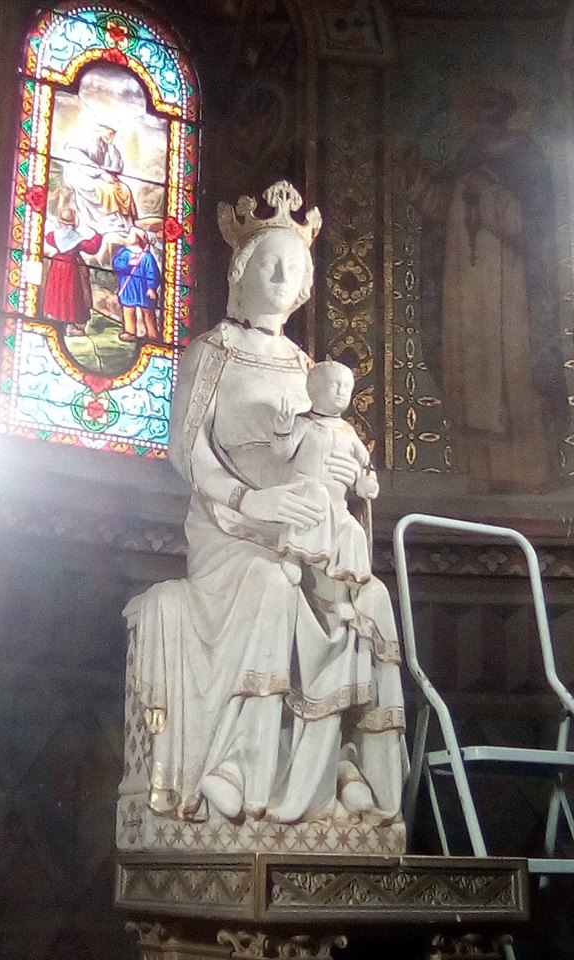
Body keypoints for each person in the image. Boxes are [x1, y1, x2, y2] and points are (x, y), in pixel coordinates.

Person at [123, 181, 407, 831]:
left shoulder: (310, 367)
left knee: (368, 599)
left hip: (305, 526)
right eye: (269, 262)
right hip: (232, 529)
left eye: (295, 265)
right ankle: (237, 769)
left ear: (306, 282)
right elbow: (187, 453)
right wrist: (258, 498)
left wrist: (347, 478)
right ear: (242, 272)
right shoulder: (210, 352)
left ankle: (340, 768)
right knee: (269, 581)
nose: (282, 274)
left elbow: (333, 445)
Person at [405, 82, 567, 494]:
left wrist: (491, 197)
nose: (484, 115)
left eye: (492, 106)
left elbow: (534, 224)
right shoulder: (468, 157)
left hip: (511, 289)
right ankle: (485, 471)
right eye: (478, 107)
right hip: (464, 288)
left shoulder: (526, 156)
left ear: (507, 110)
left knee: (516, 373)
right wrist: (416, 179)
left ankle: (532, 471)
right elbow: (443, 206)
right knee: (473, 372)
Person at [271, 360, 378, 590]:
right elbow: (282, 454)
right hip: (305, 494)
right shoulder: (304, 424)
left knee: (353, 531)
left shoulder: (348, 432)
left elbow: (366, 465)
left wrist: (366, 482)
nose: (341, 392)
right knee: (315, 495)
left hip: (337, 506)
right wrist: (281, 430)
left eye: (346, 387)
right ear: (313, 389)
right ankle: (294, 554)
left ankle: (344, 588)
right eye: (334, 385)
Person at [63, 124, 137, 236]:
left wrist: (111, 148)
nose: (111, 137)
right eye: (110, 133)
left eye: (113, 134)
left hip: (101, 175)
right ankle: (110, 224)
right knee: (106, 190)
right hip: (81, 174)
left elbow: (116, 168)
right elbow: (76, 156)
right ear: (102, 129)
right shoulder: (84, 138)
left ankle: (124, 223)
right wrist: (101, 173)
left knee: (124, 189)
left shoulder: (107, 145)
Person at [42, 208, 101, 336]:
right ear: (75, 222)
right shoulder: (76, 239)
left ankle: (56, 321)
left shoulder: (54, 235)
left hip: (57, 266)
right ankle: (70, 326)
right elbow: (91, 247)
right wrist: (98, 235)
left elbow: (48, 238)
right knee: (71, 295)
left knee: (58, 292)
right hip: (72, 268)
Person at [112, 228, 161, 341]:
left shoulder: (146, 257)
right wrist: (128, 263)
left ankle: (152, 334)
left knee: (147, 311)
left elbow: (152, 272)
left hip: (143, 288)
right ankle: (130, 332)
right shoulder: (125, 253)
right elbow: (116, 264)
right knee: (128, 309)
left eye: (132, 235)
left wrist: (151, 287)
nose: (129, 237)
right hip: (128, 287)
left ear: (138, 239)